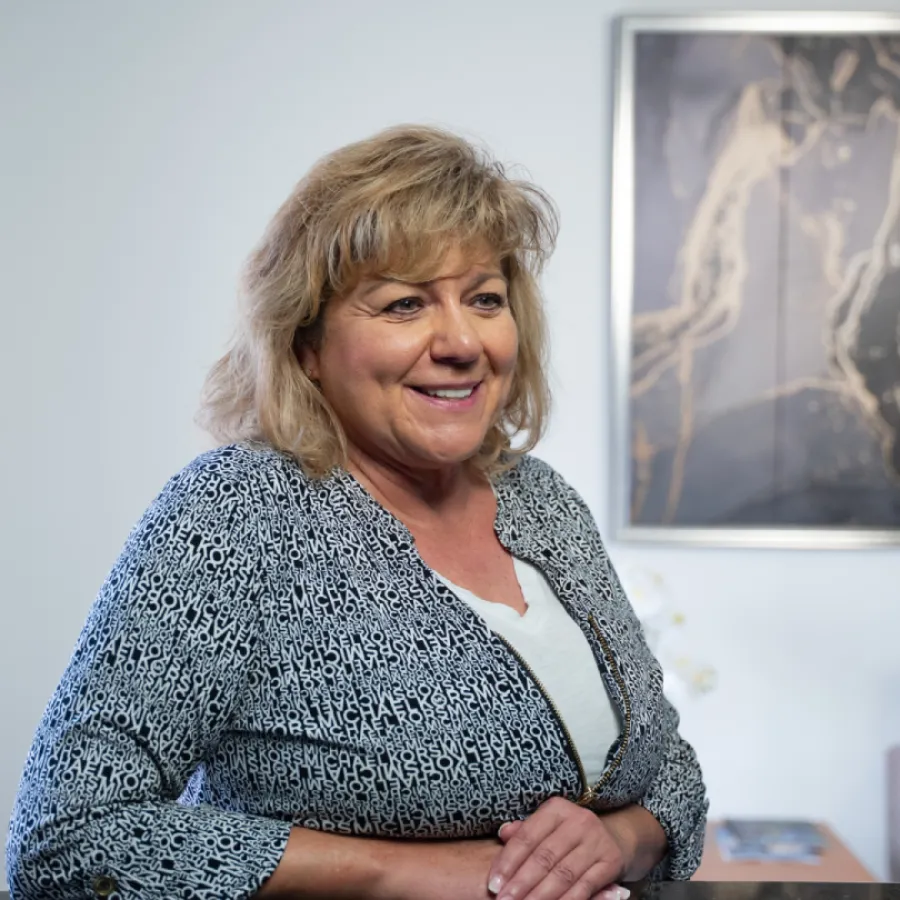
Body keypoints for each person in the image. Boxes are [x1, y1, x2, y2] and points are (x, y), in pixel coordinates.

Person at [7, 125, 708, 900]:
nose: (462, 341)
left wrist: (617, 840)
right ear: (307, 344)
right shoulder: (238, 513)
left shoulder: (541, 499)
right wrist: (407, 874)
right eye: (405, 305)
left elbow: (666, 763)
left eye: (484, 299)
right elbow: (66, 840)